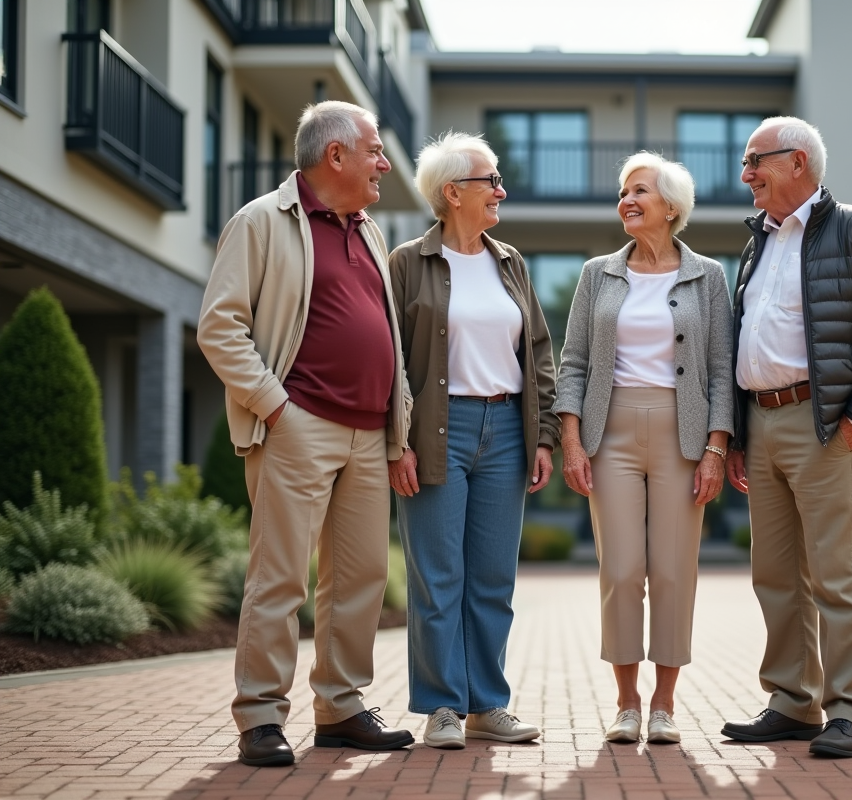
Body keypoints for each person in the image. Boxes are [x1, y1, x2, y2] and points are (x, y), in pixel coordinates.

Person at [197, 101, 416, 767]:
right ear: (336, 156)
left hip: (369, 432)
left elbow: (389, 338)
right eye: (375, 151)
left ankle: (341, 707)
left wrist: (397, 424)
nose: (384, 164)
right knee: (280, 577)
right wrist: (276, 407)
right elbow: (219, 326)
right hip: (300, 426)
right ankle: (261, 715)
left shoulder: (371, 232)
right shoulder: (262, 221)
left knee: (360, 578)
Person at [720, 117, 852, 758]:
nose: (746, 173)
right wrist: (741, 434)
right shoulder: (756, 243)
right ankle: (792, 700)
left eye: (756, 161)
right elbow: (745, 340)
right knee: (775, 574)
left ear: (798, 162)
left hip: (828, 424)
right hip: (764, 419)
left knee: (836, 575)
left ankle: (849, 712)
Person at [387, 131, 559, 750]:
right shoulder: (408, 262)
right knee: (438, 575)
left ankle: (487, 703)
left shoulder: (509, 261)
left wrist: (542, 436)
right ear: (452, 191)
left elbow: (537, 350)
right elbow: (390, 360)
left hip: (506, 429)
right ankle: (441, 706)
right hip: (438, 429)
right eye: (491, 181)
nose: (501, 192)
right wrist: (395, 442)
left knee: (492, 578)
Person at [556, 152, 734, 745]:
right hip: (612, 433)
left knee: (674, 570)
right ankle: (626, 702)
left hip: (683, 432)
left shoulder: (707, 276)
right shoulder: (597, 274)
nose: (626, 201)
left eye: (639, 192)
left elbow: (720, 368)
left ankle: (664, 704)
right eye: (622, 193)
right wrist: (572, 440)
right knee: (623, 569)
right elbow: (574, 362)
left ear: (671, 207)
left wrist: (715, 448)